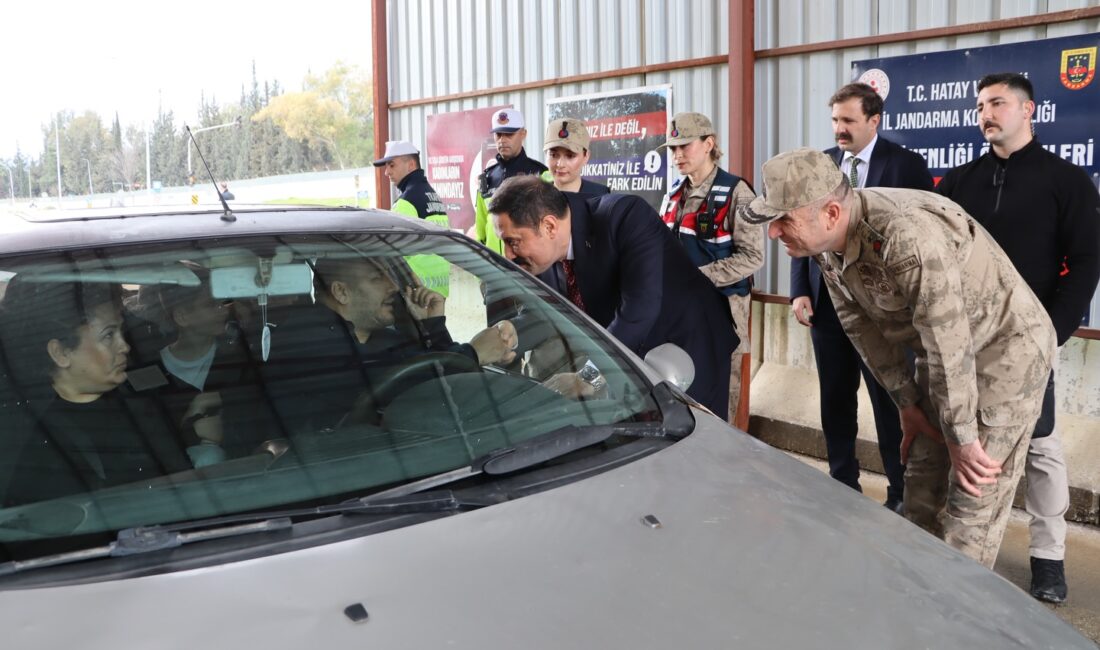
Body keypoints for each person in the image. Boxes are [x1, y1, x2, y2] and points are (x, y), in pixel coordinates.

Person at [743, 147, 1056, 569]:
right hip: (943, 353)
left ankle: (957, 604)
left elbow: (948, 340)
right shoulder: (825, 241)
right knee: (922, 482)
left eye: (784, 220)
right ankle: (918, 592)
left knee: (971, 498)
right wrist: (907, 403)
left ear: (831, 213)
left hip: (1005, 351)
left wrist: (963, 438)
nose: (774, 232)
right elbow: (860, 326)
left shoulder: (905, 236)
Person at [938, 72, 1100, 602]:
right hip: (964, 343)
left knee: (1041, 448)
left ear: (1029, 110)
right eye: (980, 106)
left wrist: (1051, 334)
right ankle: (959, 544)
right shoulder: (958, 183)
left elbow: (1086, 262)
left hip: (1032, 343)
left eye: (997, 103)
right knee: (962, 440)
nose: (986, 114)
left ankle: (1049, 557)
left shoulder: (1067, 181)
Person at [791, 83, 935, 514]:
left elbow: (922, 235)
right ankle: (842, 483)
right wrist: (799, 289)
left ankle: (899, 492)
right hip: (828, 305)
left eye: (849, 120)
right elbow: (803, 229)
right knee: (836, 400)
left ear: (874, 120)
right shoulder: (822, 165)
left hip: (883, 312)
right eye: (835, 120)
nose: (839, 128)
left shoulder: (906, 166)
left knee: (891, 403)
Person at [490, 175, 738, 419]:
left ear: (549, 226)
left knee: (696, 433)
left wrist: (588, 377)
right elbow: (547, 312)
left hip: (689, 342)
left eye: (513, 242)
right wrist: (511, 332)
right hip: (630, 355)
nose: (508, 254)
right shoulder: (546, 254)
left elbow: (639, 310)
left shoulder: (625, 217)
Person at [260, 256, 518, 431]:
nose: (394, 286)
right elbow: (381, 377)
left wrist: (432, 325)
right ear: (341, 292)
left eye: (389, 276)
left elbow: (445, 388)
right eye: (377, 278)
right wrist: (472, 353)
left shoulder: (385, 337)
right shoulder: (303, 338)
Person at [0, 278, 191, 506]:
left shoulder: (146, 392)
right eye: (108, 335)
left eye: (120, 331)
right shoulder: (30, 438)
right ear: (61, 353)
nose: (125, 346)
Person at [658, 111, 763, 424]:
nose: (677, 154)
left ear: (709, 144)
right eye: (673, 148)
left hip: (722, 311)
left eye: (685, 146)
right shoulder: (673, 194)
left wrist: (698, 278)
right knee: (681, 387)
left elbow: (752, 256)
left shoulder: (736, 192)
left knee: (720, 396)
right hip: (679, 311)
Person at [373, 140, 451, 295]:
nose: (386, 172)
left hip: (416, 292)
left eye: (392, 165)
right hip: (439, 289)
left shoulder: (406, 202)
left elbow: (393, 252)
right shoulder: (432, 195)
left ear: (411, 165)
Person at [473, 108, 548, 255]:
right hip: (493, 264)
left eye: (509, 134)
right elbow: (481, 232)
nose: (502, 140)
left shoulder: (540, 174)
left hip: (526, 263)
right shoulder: (487, 178)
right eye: (498, 134)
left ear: (523, 134)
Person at [540, 117, 609, 197]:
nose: (560, 164)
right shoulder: (536, 197)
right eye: (554, 155)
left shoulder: (600, 196)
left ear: (586, 156)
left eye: (570, 156)